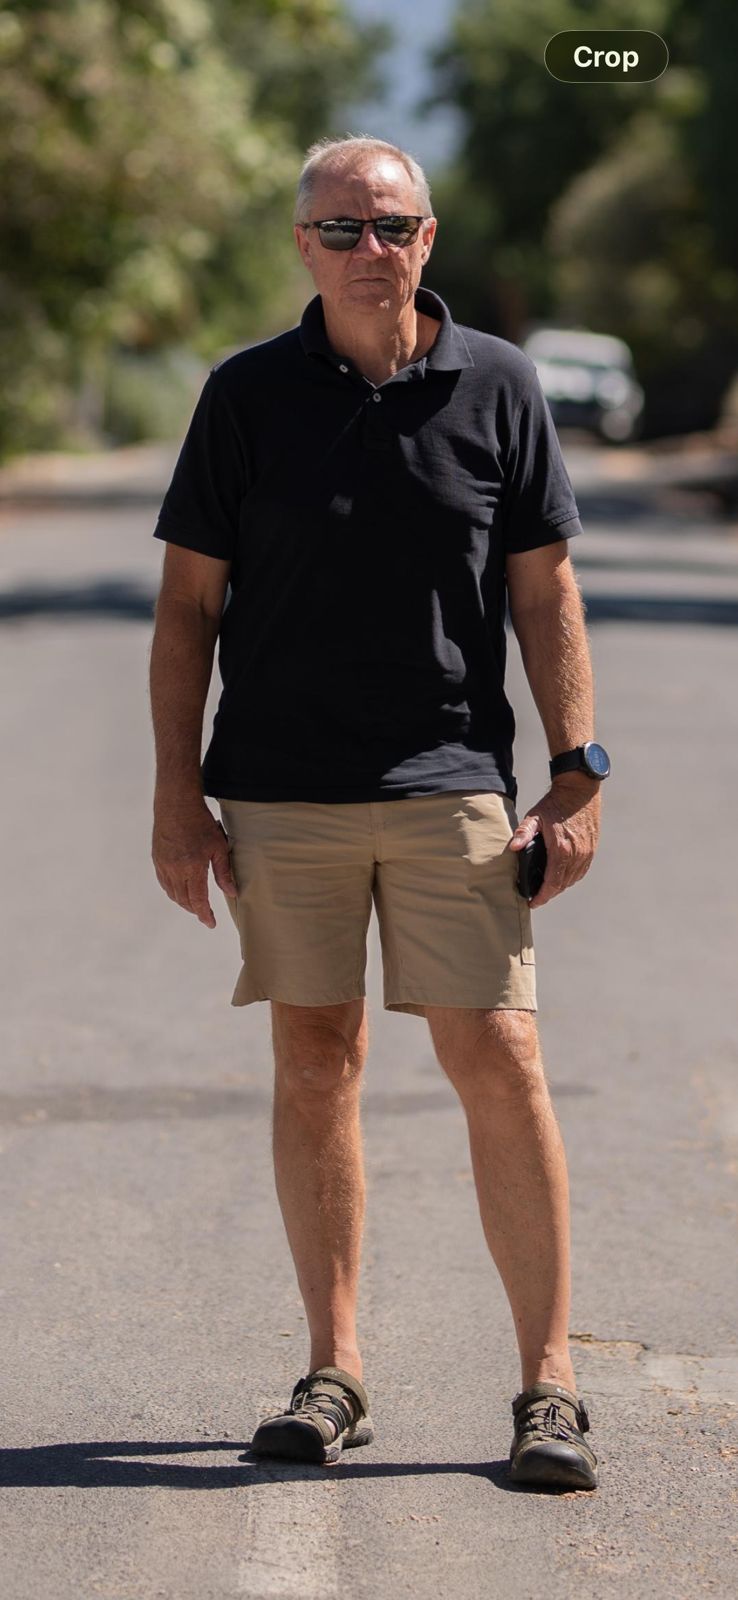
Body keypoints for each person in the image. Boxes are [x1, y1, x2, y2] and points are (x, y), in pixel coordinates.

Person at [149, 133, 610, 1490]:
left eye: (392, 226)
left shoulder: (499, 385)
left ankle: (549, 1388)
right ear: (304, 244)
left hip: (450, 782)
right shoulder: (243, 395)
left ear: (427, 239)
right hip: (279, 788)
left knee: (500, 1058)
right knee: (315, 1062)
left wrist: (575, 772)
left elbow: (545, 590)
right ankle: (334, 1371)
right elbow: (187, 608)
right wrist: (177, 796)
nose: (370, 250)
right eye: (342, 229)